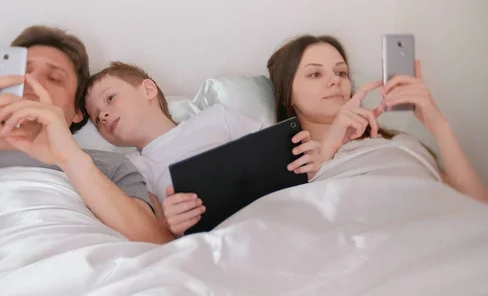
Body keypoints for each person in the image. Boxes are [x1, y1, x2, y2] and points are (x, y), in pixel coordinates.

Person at [0, 25, 173, 270]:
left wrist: (71, 159)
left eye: (53, 78)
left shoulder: (109, 167)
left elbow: (159, 247)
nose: (31, 84)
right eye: (20, 73)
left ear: (76, 111)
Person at [84, 62, 323, 237]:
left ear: (148, 90)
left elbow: (275, 152)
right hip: (213, 238)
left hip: (272, 217)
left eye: (110, 98)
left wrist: (304, 159)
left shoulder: (216, 118)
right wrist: (170, 224)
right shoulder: (134, 166)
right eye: (96, 119)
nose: (103, 115)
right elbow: (154, 227)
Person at [266, 34, 488, 203]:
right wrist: (327, 154)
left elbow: (477, 209)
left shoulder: (400, 145)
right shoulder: (291, 165)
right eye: (315, 74)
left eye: (341, 72)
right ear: (287, 93)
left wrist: (439, 125)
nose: (335, 80)